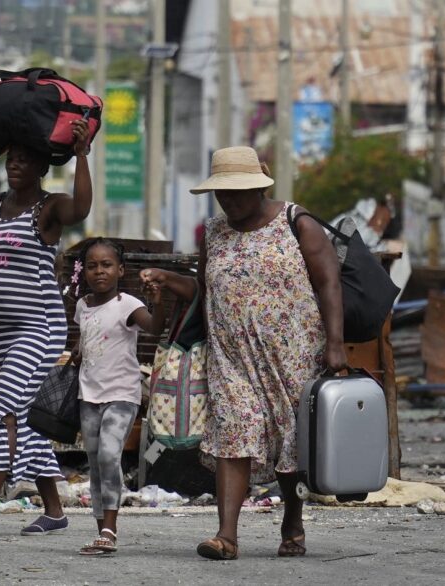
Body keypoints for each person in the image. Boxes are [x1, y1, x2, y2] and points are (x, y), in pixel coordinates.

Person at [140, 146, 347, 560]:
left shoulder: (296, 222)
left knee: (289, 439)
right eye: (223, 193)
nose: (229, 200)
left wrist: (336, 345)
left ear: (258, 186)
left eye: (237, 192)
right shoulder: (214, 232)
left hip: (293, 354)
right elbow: (205, 290)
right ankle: (226, 536)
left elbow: (329, 284)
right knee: (232, 434)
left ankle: (292, 520)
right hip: (231, 356)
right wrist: (168, 280)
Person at [0, 119, 92, 538]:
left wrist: (82, 155)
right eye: (12, 159)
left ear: (41, 168)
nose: (16, 166)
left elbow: (82, 210)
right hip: (5, 332)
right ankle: (54, 511)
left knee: (4, 406)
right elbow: (1, 260)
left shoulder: (49, 209)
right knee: (29, 419)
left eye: (25, 161)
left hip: (41, 327)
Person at [71, 238, 165, 555]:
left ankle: (110, 529)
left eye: (107, 265)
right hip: (89, 396)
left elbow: (153, 328)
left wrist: (158, 301)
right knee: (96, 465)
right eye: (93, 265)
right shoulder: (82, 305)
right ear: (84, 271)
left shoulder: (128, 304)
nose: (99, 271)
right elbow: (87, 340)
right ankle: (103, 533)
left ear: (120, 270)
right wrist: (77, 353)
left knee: (110, 456)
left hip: (123, 395)